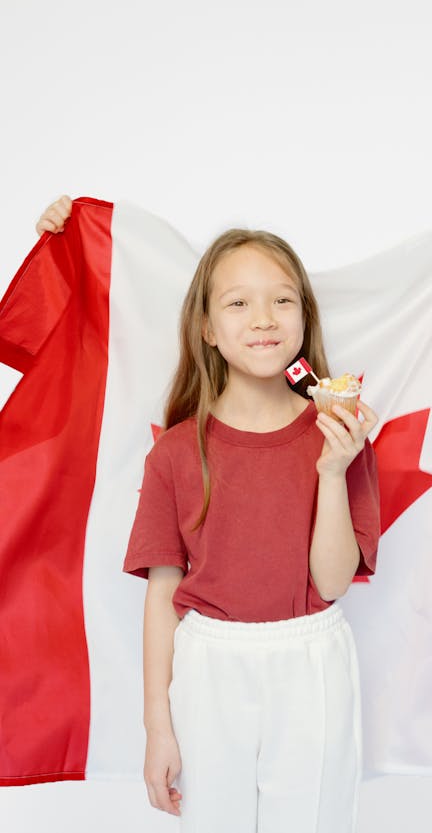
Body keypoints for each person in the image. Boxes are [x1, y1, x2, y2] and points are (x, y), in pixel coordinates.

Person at [36, 196, 381, 833]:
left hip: (311, 663)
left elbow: (332, 584)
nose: (263, 319)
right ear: (207, 327)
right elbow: (161, 594)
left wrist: (333, 473)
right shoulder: (174, 452)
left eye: (282, 300)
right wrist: (156, 728)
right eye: (237, 302)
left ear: (305, 316)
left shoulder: (339, 436)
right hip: (208, 667)